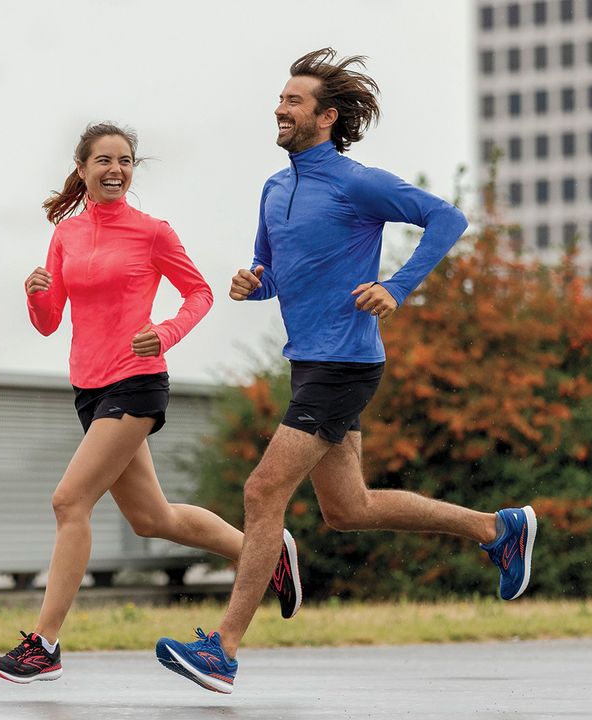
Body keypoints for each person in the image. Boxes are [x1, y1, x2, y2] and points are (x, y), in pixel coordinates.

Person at [155, 49, 538, 695]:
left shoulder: (356, 182)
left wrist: (398, 286)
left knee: (261, 491)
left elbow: (448, 218)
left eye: (294, 101)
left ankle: (222, 648)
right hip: (310, 362)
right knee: (348, 509)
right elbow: (278, 269)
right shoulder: (275, 188)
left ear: (327, 116)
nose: (279, 108)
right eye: (280, 99)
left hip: (345, 362)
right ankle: (496, 529)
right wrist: (255, 282)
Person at [0, 122, 304, 685]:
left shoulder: (152, 231)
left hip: (136, 382)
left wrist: (166, 332)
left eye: (126, 160)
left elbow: (199, 293)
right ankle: (266, 550)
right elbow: (49, 322)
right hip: (88, 387)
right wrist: (36, 295)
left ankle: (46, 645)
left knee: (68, 501)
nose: (116, 169)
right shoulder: (67, 235)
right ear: (82, 169)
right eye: (104, 160)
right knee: (152, 519)